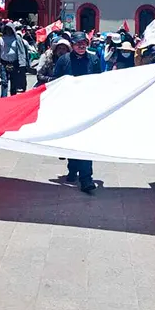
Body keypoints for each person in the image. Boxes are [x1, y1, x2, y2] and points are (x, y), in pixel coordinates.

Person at [52, 31, 102, 193]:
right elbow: (55, 82)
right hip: (69, 108)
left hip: (87, 108)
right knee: (72, 141)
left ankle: (86, 179)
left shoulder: (93, 59)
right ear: (72, 45)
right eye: (78, 43)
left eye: (84, 43)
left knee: (85, 143)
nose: (81, 46)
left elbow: (100, 81)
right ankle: (73, 169)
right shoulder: (63, 60)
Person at [0, 22, 30, 97]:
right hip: (3, 63)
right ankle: (3, 98)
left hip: (14, 63)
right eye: (7, 29)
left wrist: (23, 63)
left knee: (14, 81)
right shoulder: (0, 39)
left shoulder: (17, 39)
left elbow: (22, 50)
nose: (8, 31)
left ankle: (13, 97)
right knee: (4, 82)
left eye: (10, 29)